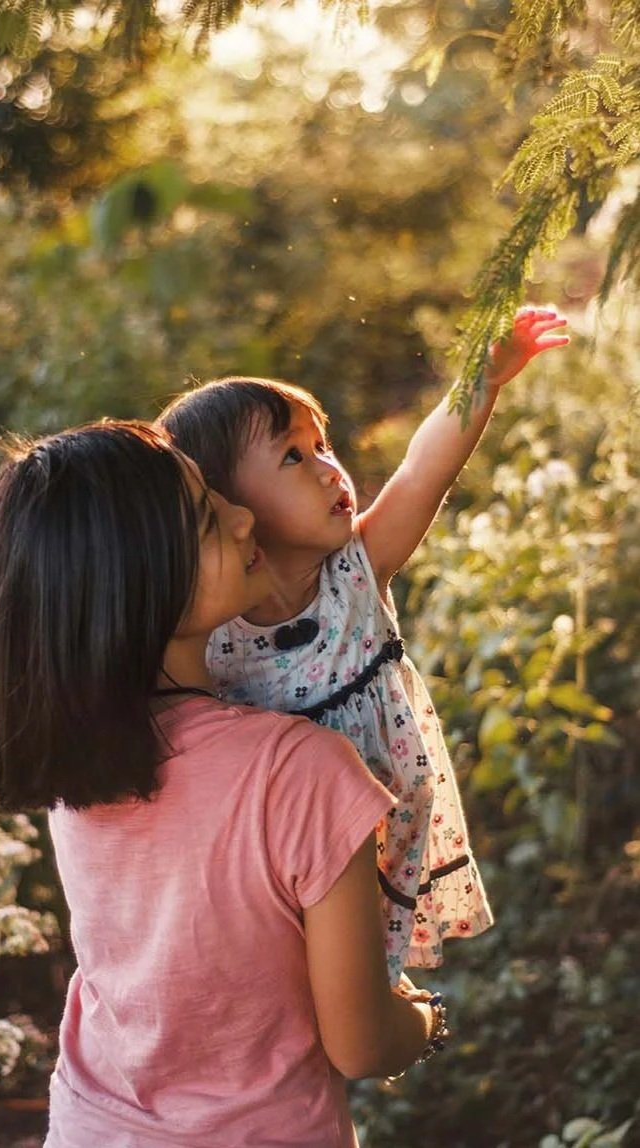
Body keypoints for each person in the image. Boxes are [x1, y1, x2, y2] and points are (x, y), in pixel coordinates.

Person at [0, 419, 448, 1148]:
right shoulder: (301, 773)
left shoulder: (77, 760)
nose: (243, 514)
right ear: (140, 583)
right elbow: (360, 1045)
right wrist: (425, 1018)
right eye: (207, 517)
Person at [158, 308, 569, 984]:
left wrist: (484, 380)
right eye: (293, 455)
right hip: (286, 852)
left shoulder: (356, 570)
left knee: (360, 982)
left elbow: (418, 474)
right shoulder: (211, 630)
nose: (328, 469)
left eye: (323, 446)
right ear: (227, 505)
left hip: (384, 829)